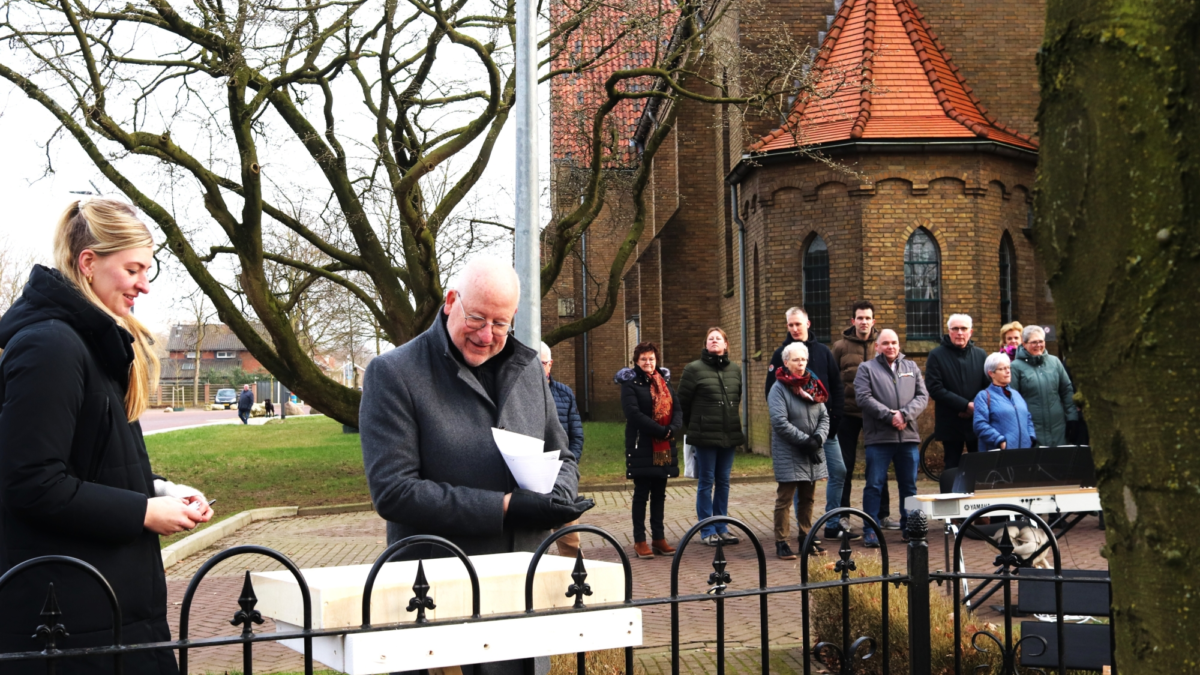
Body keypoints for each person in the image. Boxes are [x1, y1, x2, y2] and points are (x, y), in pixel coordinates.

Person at [0, 199, 214, 675]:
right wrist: (143, 511)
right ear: (89, 263)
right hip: (74, 623)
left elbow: (92, 461)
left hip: (104, 611)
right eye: (134, 268)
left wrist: (161, 490)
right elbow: (32, 483)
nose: (145, 283)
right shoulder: (51, 346)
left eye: (147, 268)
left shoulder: (92, 344)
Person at [360, 258, 592, 675]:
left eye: (500, 324)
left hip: (521, 588)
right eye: (478, 318)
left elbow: (562, 454)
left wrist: (559, 495)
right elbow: (394, 491)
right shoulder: (394, 373)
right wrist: (505, 507)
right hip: (435, 598)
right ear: (451, 302)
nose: (487, 336)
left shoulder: (528, 372)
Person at [765, 308, 849, 537]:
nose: (794, 328)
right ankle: (793, 534)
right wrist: (799, 436)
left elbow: (834, 390)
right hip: (793, 437)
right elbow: (773, 397)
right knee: (795, 488)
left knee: (838, 472)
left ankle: (832, 523)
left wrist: (830, 426)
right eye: (790, 325)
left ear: (808, 324)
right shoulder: (779, 354)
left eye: (798, 324)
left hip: (823, 432)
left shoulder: (822, 352)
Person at [854, 329, 928, 548]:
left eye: (894, 342)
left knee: (910, 487)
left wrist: (904, 414)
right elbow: (863, 398)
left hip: (908, 438)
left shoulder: (911, 367)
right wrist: (890, 416)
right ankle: (870, 529)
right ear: (877, 346)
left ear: (899, 344)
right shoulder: (866, 369)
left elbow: (923, 396)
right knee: (874, 485)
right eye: (885, 343)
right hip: (879, 439)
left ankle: (911, 528)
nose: (890, 347)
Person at [678, 327, 745, 547]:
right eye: (710, 339)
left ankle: (722, 526)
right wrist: (695, 427)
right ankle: (706, 529)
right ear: (706, 344)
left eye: (718, 338)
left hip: (729, 434)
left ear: (726, 344)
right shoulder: (693, 369)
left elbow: (737, 397)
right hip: (705, 436)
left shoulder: (735, 370)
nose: (714, 341)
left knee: (724, 481)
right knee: (706, 481)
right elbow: (683, 404)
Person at [617, 342, 681, 558]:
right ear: (636, 361)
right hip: (641, 446)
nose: (648, 362)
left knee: (660, 494)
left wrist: (672, 429)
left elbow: (677, 408)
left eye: (651, 358)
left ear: (656, 360)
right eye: (643, 359)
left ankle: (659, 538)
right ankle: (639, 540)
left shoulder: (664, 381)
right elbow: (633, 414)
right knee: (641, 494)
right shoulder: (630, 383)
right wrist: (660, 430)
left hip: (664, 444)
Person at [768, 342, 830, 559]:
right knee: (785, 499)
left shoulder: (813, 385)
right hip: (790, 451)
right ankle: (781, 542)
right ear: (786, 363)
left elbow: (824, 416)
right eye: (796, 359)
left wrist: (818, 438)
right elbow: (780, 422)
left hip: (811, 449)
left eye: (803, 359)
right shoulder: (778, 389)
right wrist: (807, 441)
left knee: (808, 498)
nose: (801, 363)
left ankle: (806, 537)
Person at [830, 300, 881, 540]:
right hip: (847, 415)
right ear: (853, 321)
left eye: (867, 318)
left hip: (874, 416)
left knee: (878, 466)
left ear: (873, 320)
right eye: (859, 318)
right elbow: (832, 380)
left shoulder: (881, 345)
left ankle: (881, 514)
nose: (863, 322)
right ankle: (843, 515)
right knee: (845, 467)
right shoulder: (839, 347)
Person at [925, 314, 990, 469]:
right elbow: (935, 388)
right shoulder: (936, 355)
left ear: (971, 332)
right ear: (949, 331)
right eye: (955, 329)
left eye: (963, 328)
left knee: (980, 466)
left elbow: (988, 387)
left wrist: (974, 407)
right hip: (950, 422)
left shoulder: (981, 355)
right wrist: (964, 405)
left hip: (977, 420)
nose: (959, 332)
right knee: (952, 467)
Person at [541, 342, 585, 558]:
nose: (538, 368)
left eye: (542, 363)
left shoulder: (564, 394)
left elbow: (576, 435)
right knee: (538, 541)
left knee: (569, 539)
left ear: (550, 364)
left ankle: (577, 581)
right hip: (533, 477)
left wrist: (570, 466)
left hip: (561, 474)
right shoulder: (517, 393)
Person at [1009, 325, 1078, 447]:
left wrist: (1072, 417)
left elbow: (1066, 390)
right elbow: (1013, 399)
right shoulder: (1015, 367)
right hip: (1032, 429)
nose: (1038, 345)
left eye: (1041, 341)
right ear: (1024, 344)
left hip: (1058, 428)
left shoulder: (1055, 362)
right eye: (1033, 342)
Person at [973, 352, 1037, 451]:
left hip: (1024, 453)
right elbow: (980, 425)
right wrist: (1000, 441)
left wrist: (1031, 438)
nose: (1008, 371)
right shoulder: (983, 396)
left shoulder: (1016, 394)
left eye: (1008, 368)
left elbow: (1028, 418)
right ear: (991, 373)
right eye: (1002, 369)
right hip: (998, 455)